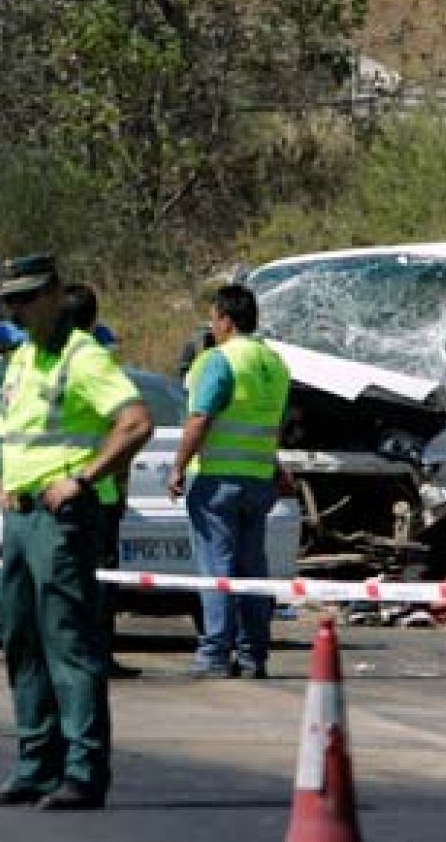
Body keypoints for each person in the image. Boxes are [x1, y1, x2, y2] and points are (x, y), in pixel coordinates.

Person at [0, 255, 152, 812]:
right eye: (12, 303)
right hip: (22, 517)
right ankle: (35, 764)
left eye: (27, 300)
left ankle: (82, 770)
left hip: (62, 520)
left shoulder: (83, 357)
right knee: (22, 640)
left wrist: (82, 478)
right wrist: (6, 481)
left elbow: (136, 422)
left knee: (69, 644)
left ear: (54, 296)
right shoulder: (23, 357)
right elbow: (15, 432)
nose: (19, 312)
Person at [169, 284, 290, 680]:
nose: (212, 325)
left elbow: (200, 419)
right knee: (253, 568)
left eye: (213, 317)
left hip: (218, 480)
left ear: (225, 320)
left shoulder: (220, 361)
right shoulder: (274, 364)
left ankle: (215, 654)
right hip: (259, 480)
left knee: (217, 569)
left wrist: (177, 467)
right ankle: (255, 653)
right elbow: (267, 424)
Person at [62, 282, 139, 681]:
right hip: (98, 490)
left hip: (60, 489)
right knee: (100, 582)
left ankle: (76, 655)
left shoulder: (50, 359)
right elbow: (125, 427)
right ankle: (97, 654)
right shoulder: (95, 362)